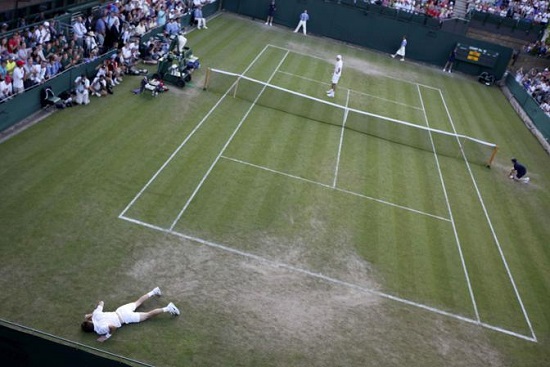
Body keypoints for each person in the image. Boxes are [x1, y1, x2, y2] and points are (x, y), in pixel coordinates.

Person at [81, 287, 180, 342]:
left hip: (125, 318)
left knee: (147, 315)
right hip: (121, 310)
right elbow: (101, 302)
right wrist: (90, 315)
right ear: (89, 321)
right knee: (138, 302)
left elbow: (112, 327)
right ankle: (154, 291)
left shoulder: (99, 330)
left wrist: (107, 336)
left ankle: (168, 308)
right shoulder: (95, 315)